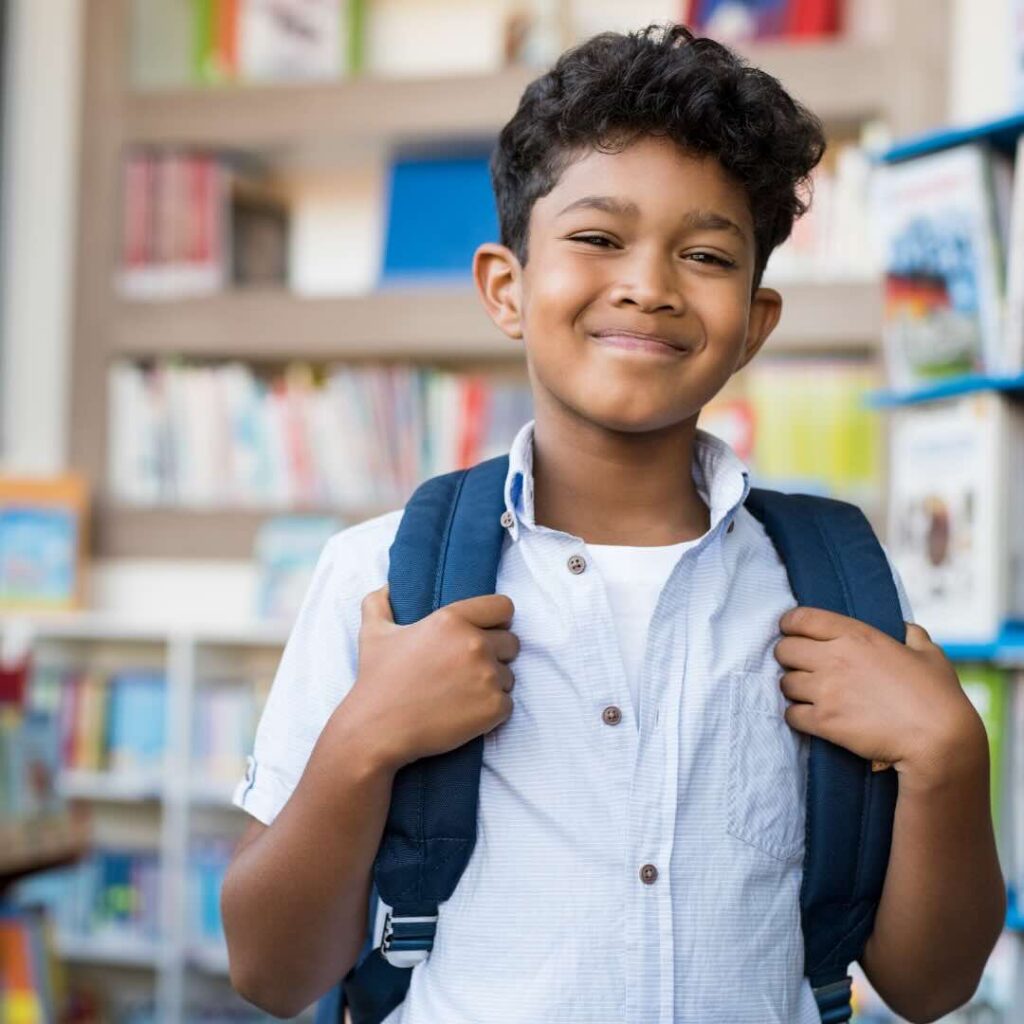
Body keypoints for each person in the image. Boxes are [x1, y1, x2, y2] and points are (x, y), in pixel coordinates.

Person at [220, 24, 1005, 1023]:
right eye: (597, 237)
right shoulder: (380, 577)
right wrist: (364, 740)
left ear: (755, 323)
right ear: (506, 287)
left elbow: (930, 986)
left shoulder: (832, 582)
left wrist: (948, 751)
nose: (649, 284)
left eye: (706, 253)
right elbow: (269, 971)